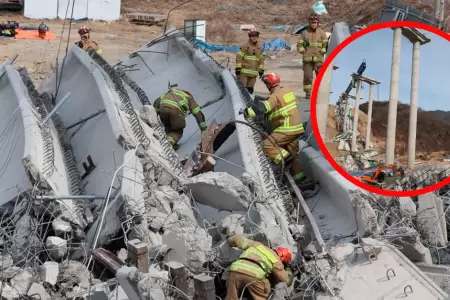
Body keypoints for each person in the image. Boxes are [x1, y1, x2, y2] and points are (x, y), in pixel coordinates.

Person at [242, 73, 306, 183]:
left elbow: (263, 108)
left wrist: (247, 112)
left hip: (286, 129)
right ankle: (300, 179)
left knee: (267, 145)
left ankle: (285, 160)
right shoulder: (288, 91)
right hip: (297, 128)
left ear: (268, 84)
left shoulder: (274, 96)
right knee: (293, 152)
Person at [225, 234, 293, 300]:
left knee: (231, 298)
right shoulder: (276, 260)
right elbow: (285, 279)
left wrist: (229, 240)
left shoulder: (257, 245)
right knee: (264, 293)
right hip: (254, 276)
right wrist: (288, 269)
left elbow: (238, 240)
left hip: (235, 270)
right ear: (282, 257)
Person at [296, 14, 328, 98]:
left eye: (315, 23)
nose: (314, 24)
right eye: (312, 23)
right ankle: (308, 93)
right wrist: (303, 51)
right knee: (307, 76)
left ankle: (320, 93)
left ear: (317, 23)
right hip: (307, 60)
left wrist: (324, 50)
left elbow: (325, 43)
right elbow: (299, 45)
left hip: (319, 58)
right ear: (309, 23)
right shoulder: (304, 33)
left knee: (321, 76)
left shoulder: (321, 32)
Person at [235, 28, 265, 95]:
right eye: (252, 36)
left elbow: (261, 60)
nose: (254, 38)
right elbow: (239, 57)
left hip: (253, 74)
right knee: (242, 90)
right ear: (250, 37)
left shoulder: (259, 48)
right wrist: (238, 68)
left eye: (256, 36)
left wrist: (261, 70)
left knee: (250, 91)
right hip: (244, 73)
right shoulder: (244, 46)